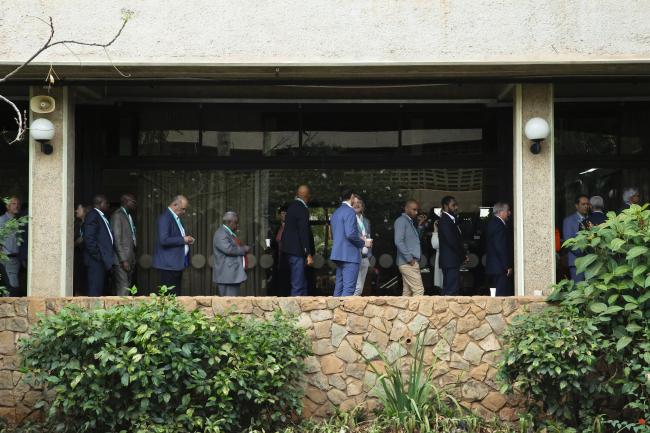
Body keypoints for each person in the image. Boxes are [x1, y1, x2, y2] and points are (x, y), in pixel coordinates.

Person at [153, 195, 195, 295]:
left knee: (175, 295)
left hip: (174, 264)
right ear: (175, 204)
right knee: (169, 297)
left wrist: (186, 240)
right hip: (168, 265)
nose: (184, 212)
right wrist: (183, 239)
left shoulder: (175, 218)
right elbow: (163, 240)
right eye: (183, 209)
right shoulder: (165, 218)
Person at [330, 191, 369, 297]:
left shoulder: (336, 212)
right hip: (350, 255)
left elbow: (335, 234)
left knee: (339, 287)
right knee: (349, 288)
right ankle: (342, 313)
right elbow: (351, 234)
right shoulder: (350, 211)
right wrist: (363, 243)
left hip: (338, 254)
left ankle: (335, 312)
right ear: (351, 197)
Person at [281, 185, 315, 296]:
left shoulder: (291, 207)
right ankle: (294, 312)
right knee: (298, 284)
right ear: (308, 196)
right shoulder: (302, 209)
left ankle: (304, 309)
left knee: (302, 282)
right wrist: (308, 253)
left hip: (290, 251)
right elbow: (303, 232)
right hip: (297, 252)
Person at [83, 195, 115, 297]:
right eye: (106, 203)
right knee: (95, 289)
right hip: (96, 260)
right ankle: (93, 312)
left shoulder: (101, 215)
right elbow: (89, 238)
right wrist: (98, 255)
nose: (108, 205)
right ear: (100, 203)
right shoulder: (93, 215)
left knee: (100, 288)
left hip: (101, 259)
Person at [213, 211, 250, 296]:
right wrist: (243, 249)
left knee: (231, 302)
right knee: (229, 303)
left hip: (231, 275)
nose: (237, 225)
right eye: (236, 223)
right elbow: (228, 250)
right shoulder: (221, 233)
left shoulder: (227, 232)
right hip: (227, 275)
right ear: (229, 222)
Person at [394, 199, 425, 297]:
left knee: (407, 292)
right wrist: (410, 259)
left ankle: (403, 312)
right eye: (414, 210)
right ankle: (416, 313)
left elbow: (415, 240)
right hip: (408, 262)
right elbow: (398, 241)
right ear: (406, 209)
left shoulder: (409, 221)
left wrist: (420, 226)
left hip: (409, 262)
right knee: (419, 290)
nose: (416, 212)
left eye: (417, 210)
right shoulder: (401, 221)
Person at [111, 194, 137, 296]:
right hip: (121, 260)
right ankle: (120, 311)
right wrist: (123, 260)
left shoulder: (128, 215)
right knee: (123, 287)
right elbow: (117, 239)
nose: (135, 204)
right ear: (126, 202)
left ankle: (125, 310)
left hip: (129, 258)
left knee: (127, 287)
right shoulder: (117, 215)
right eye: (133, 201)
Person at [438, 196, 465, 296]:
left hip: (450, 261)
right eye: (453, 205)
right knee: (451, 291)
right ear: (445, 206)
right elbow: (452, 241)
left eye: (456, 205)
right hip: (450, 261)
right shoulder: (445, 220)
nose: (456, 207)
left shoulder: (450, 220)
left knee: (449, 290)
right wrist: (462, 255)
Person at [485, 202, 513, 296]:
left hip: (495, 266)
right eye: (508, 211)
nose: (509, 213)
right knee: (500, 294)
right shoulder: (498, 225)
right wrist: (507, 266)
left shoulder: (493, 222)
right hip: (499, 267)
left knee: (496, 293)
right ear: (501, 212)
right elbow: (500, 247)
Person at [562, 194, 590, 283]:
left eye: (587, 204)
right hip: (576, 262)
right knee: (579, 290)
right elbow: (568, 242)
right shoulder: (569, 221)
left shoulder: (590, 219)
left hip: (591, 263)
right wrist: (585, 253)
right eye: (583, 204)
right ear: (577, 206)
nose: (586, 206)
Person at [0, 197, 23, 296]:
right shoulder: (2, 220)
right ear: (7, 206)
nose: (16, 206)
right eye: (13, 203)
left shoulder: (19, 221)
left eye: (18, 203)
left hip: (18, 259)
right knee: (11, 287)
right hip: (7, 259)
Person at [268, 204, 289, 296]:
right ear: (280, 215)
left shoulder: (291, 228)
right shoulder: (278, 228)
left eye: (286, 213)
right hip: (278, 259)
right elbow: (273, 243)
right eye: (282, 213)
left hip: (288, 259)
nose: (284, 215)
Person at [353, 198, 372, 296]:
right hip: (355, 256)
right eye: (354, 203)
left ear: (362, 205)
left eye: (359, 202)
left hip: (365, 257)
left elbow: (369, 237)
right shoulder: (350, 219)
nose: (357, 205)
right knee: (357, 289)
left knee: (360, 289)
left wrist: (369, 256)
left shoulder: (366, 221)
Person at [73, 204, 89, 295]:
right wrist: (76, 242)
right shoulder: (77, 224)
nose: (76, 211)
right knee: (78, 278)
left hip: (86, 255)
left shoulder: (89, 224)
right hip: (78, 255)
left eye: (78, 209)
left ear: (85, 211)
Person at [429, 220, 443, 290]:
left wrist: (435, 231)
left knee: (443, 283)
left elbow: (435, 244)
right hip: (444, 257)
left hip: (443, 257)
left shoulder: (444, 232)